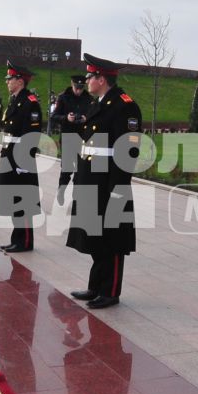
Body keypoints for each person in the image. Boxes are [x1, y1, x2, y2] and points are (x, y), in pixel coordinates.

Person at [64, 59, 140, 309]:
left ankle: (111, 291)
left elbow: (127, 152)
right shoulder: (99, 104)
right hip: (91, 179)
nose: (86, 81)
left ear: (101, 79)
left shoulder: (124, 106)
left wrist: (117, 190)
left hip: (108, 182)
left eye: (90, 77)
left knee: (112, 239)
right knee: (95, 237)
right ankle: (96, 285)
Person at [0, 63, 44, 253]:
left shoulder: (30, 102)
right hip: (9, 154)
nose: (7, 82)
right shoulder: (15, 100)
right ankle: (17, 239)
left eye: (10, 79)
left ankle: (25, 241)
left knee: (23, 200)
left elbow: (31, 135)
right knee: (14, 199)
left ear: (20, 81)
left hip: (21, 159)